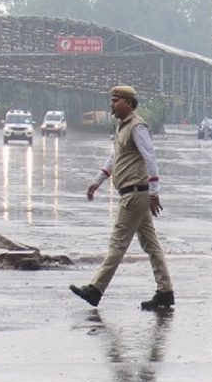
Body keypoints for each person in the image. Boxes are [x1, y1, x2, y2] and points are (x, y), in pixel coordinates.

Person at [70, 85, 175, 311]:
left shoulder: (137, 127)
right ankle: (165, 292)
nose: (112, 105)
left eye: (116, 100)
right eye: (112, 100)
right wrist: (97, 181)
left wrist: (154, 192)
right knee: (151, 245)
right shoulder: (122, 128)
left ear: (128, 103)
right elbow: (114, 157)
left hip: (135, 194)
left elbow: (150, 158)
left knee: (117, 244)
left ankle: (95, 289)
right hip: (134, 194)